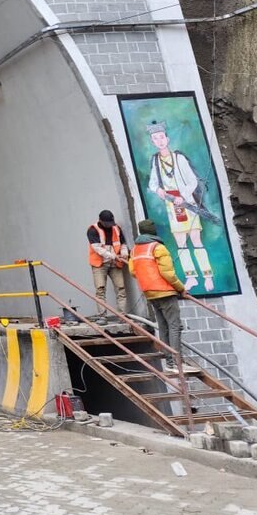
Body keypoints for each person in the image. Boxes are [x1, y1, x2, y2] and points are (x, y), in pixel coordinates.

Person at [145, 120, 214, 292]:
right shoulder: (155, 161)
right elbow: (152, 183)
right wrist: (159, 190)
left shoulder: (179, 158)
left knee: (196, 240)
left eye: (161, 137)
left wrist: (182, 196)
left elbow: (192, 181)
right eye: (155, 138)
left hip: (187, 202)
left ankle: (207, 276)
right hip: (172, 206)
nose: (159, 141)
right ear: (152, 142)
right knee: (181, 242)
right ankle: (191, 277)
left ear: (167, 138)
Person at [129, 219, 193, 374]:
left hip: (150, 293)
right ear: (153, 231)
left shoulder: (135, 250)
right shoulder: (158, 247)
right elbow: (168, 273)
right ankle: (178, 363)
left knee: (163, 326)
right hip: (164, 291)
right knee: (174, 326)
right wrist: (181, 288)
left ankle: (170, 363)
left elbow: (133, 272)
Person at [86, 209, 129, 316]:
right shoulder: (92, 230)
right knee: (100, 289)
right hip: (100, 264)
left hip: (115, 264)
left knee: (121, 289)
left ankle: (122, 315)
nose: (109, 226)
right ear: (100, 220)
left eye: (111, 223)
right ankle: (102, 315)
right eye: (107, 224)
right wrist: (113, 256)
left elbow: (122, 243)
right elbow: (98, 249)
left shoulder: (116, 228)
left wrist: (124, 252)